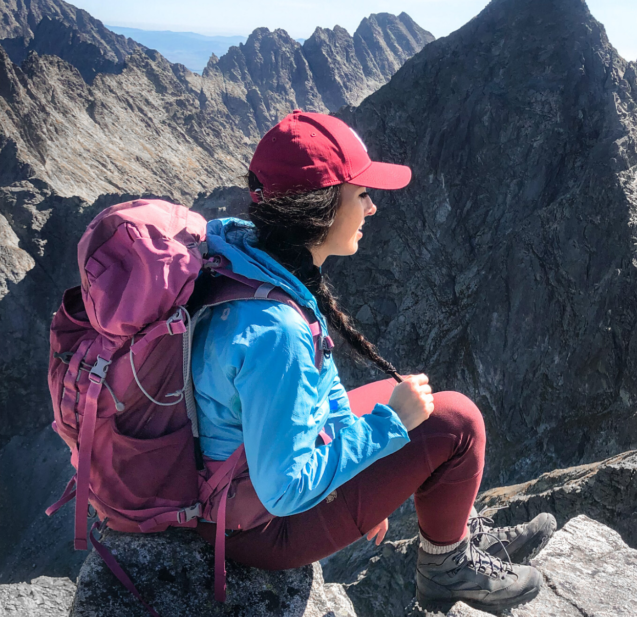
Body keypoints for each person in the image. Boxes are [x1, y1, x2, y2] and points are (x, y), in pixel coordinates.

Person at [191, 109, 556, 612]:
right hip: (257, 530)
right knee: (455, 420)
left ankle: (460, 529)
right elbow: (286, 491)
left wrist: (367, 464)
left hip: (225, 483)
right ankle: (447, 567)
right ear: (319, 208)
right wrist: (386, 429)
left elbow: (317, 383)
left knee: (407, 395)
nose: (372, 207)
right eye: (360, 194)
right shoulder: (276, 331)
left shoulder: (247, 254)